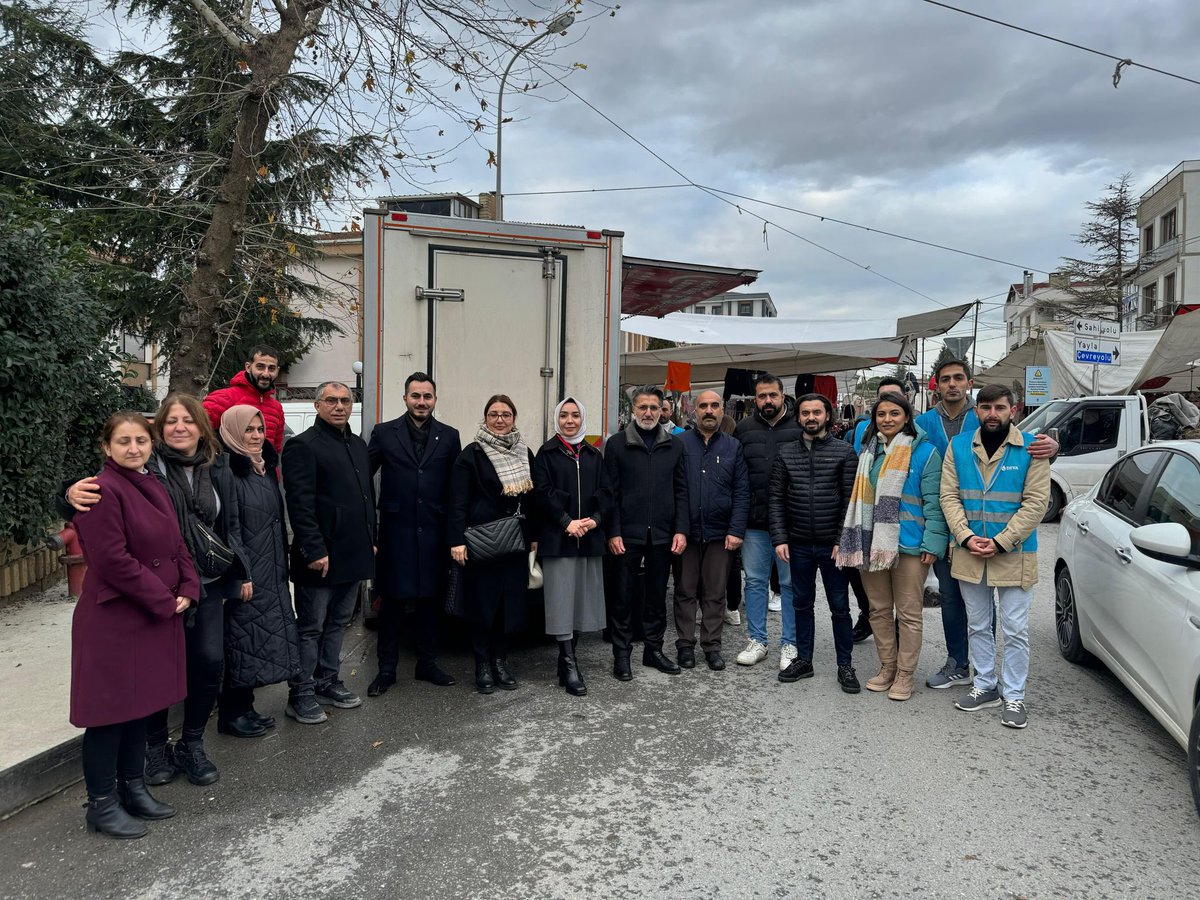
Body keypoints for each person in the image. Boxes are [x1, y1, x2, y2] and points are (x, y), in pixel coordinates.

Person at [66, 395, 247, 786]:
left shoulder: (218, 468)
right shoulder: (148, 467)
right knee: (156, 671)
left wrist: (241, 571)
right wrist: (68, 494)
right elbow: (96, 495)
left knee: (207, 662)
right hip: (157, 591)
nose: (179, 427)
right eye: (170, 421)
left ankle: (192, 744)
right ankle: (155, 747)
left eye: (188, 420)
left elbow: (231, 524)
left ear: (202, 427)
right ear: (159, 430)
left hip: (204, 584)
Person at [71, 412, 195, 839]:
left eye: (140, 440)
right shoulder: (99, 491)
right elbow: (112, 561)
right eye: (123, 442)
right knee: (108, 715)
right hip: (116, 617)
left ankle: (133, 787)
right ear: (107, 448)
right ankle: (102, 804)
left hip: (149, 614)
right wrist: (165, 598)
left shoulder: (151, 483)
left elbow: (177, 543)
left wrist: (190, 586)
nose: (133, 448)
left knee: (139, 708)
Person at [914, 358, 1058, 691]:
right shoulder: (922, 422)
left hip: (999, 540)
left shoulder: (991, 424)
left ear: (969, 382)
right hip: (943, 527)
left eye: (958, 378)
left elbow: (1031, 478)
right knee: (951, 599)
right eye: (946, 379)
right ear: (936, 384)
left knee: (1002, 617)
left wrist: (1055, 447)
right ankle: (959, 664)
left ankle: (998, 683)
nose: (952, 384)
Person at [940, 384, 1050, 729]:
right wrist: (966, 536)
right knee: (978, 623)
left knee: (1016, 629)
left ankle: (1014, 694)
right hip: (970, 550)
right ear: (976, 411)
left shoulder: (1032, 448)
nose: (992, 414)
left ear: (1012, 410)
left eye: (999, 408)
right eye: (985, 407)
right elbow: (949, 496)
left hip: (1015, 553)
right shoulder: (958, 446)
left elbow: (1036, 504)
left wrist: (1001, 541)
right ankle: (984, 684)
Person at [837, 392, 947, 701]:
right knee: (879, 610)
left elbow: (934, 503)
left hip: (911, 547)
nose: (887, 419)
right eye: (881, 414)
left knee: (909, 613)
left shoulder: (926, 453)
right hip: (872, 544)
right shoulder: (868, 453)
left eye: (894, 413)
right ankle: (887, 667)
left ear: (907, 417)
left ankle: (905, 673)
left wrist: (933, 542)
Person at [282, 380, 376, 723]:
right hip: (319, 556)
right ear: (318, 405)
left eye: (345, 401)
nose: (340, 406)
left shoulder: (357, 444)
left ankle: (327, 680)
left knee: (338, 622)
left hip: (353, 551)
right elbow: (300, 504)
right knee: (311, 626)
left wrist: (372, 538)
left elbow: (367, 497)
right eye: (331, 401)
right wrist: (313, 548)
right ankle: (300, 693)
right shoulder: (302, 446)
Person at [366, 372, 461, 696]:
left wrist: (454, 536)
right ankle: (386, 670)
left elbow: (455, 492)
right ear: (405, 398)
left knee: (430, 604)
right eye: (416, 395)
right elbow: (363, 479)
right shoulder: (383, 433)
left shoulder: (449, 437)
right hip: (395, 534)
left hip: (434, 535)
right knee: (391, 605)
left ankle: (427, 664)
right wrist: (370, 531)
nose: (422, 401)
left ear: (435, 399)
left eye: (427, 396)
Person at [216, 406, 299, 737]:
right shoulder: (227, 471)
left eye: (259, 429)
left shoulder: (262, 469)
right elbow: (230, 527)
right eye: (248, 430)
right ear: (232, 432)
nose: (255, 436)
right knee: (239, 639)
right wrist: (241, 572)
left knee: (255, 640)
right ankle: (231, 714)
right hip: (248, 571)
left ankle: (245, 707)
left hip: (270, 567)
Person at [770, 394, 860, 692]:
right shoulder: (785, 453)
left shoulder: (844, 452)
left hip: (831, 545)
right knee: (801, 604)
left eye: (816, 412)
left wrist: (840, 540)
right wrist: (780, 537)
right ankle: (804, 660)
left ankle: (845, 665)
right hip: (797, 543)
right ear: (798, 417)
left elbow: (850, 500)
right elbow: (776, 498)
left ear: (827, 415)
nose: (811, 417)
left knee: (839, 606)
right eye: (805, 412)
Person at [448, 394, 537, 694]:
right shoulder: (470, 454)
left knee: (508, 606)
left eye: (506, 414)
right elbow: (457, 501)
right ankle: (482, 664)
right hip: (481, 544)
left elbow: (532, 500)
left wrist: (533, 536)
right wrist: (456, 540)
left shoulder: (525, 452)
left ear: (514, 418)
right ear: (485, 417)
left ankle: (501, 660)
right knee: (483, 606)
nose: (500, 419)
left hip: (514, 543)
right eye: (494, 414)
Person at [604, 385, 689, 680]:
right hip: (626, 534)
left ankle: (653, 650)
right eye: (643, 407)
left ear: (663, 410)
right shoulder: (616, 445)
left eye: (654, 407)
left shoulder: (675, 446)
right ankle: (622, 655)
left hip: (663, 535)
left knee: (656, 596)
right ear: (633, 410)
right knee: (623, 596)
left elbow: (681, 491)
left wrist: (681, 529)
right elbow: (609, 494)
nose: (649, 413)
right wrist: (613, 532)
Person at [532, 397, 612, 696]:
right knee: (561, 601)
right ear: (557, 420)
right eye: (564, 415)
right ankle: (568, 662)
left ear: (582, 419)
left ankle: (568, 658)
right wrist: (566, 521)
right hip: (559, 539)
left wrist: (594, 520)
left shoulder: (593, 455)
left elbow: (607, 492)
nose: (569, 421)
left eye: (575, 415)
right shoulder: (547, 453)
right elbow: (541, 493)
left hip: (588, 538)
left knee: (580, 600)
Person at [674, 391, 747, 671]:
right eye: (703, 405)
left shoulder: (733, 447)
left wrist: (736, 529)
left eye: (714, 406)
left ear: (721, 411)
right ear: (694, 410)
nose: (708, 410)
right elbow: (674, 489)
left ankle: (712, 646)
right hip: (686, 532)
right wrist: (677, 529)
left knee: (715, 593)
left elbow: (742, 491)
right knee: (684, 590)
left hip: (720, 532)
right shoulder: (679, 444)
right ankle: (684, 645)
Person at [733, 374, 801, 670]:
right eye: (761, 396)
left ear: (782, 395)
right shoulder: (743, 429)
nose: (767, 401)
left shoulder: (800, 427)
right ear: (754, 399)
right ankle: (757, 640)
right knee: (756, 582)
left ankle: (791, 642)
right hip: (754, 522)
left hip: (792, 523)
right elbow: (737, 477)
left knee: (789, 583)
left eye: (772, 395)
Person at [202, 345, 286, 453]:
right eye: (260, 367)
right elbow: (198, 436)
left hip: (263, 469)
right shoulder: (223, 398)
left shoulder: (277, 408)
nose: (266, 374)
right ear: (248, 367)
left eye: (271, 368)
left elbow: (276, 450)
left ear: (277, 371)